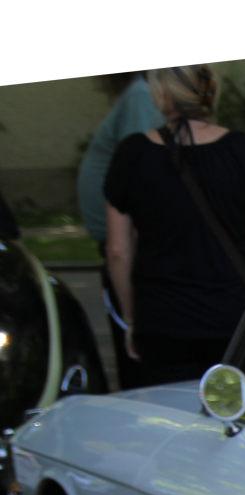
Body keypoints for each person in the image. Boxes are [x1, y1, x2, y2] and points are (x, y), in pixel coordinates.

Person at [102, 65, 245, 388]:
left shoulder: (132, 155)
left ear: (160, 93)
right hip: (236, 318)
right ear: (210, 91)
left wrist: (131, 319)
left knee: (171, 420)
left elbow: (117, 250)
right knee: (242, 419)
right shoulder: (243, 150)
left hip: (162, 321)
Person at [78, 73, 164, 390]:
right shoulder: (137, 95)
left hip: (129, 249)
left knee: (138, 355)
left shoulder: (139, 95)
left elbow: (141, 174)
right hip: (127, 246)